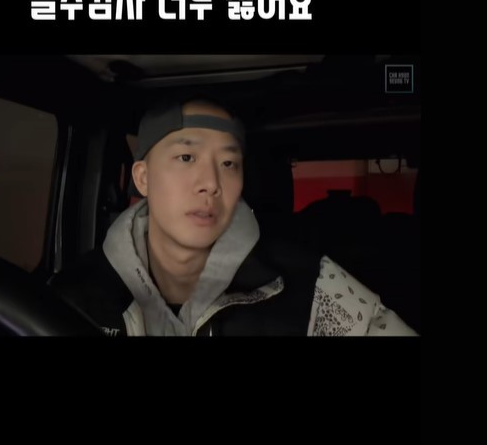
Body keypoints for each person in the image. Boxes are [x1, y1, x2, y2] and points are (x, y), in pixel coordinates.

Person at [59, 97, 417, 336]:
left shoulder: (313, 286)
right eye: (186, 158)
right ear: (142, 178)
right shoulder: (74, 293)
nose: (211, 183)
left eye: (228, 163)